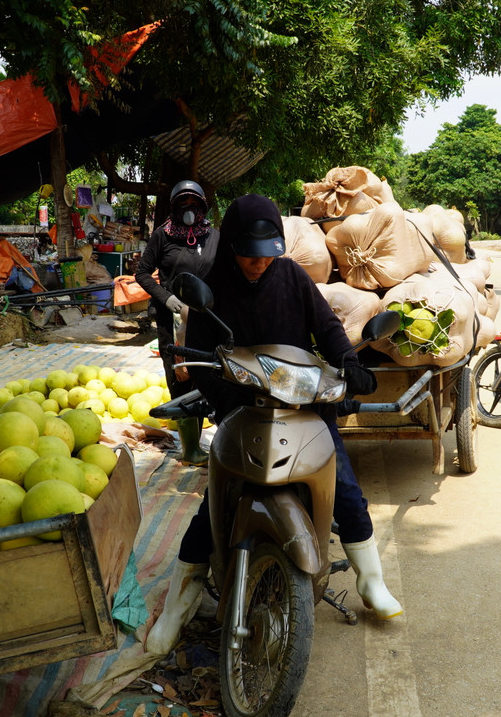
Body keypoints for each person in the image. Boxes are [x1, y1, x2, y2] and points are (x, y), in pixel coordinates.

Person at [143, 195, 400, 655]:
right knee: (214, 505)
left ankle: (371, 581)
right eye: (249, 253)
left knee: (344, 488)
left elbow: (328, 330)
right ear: (232, 246)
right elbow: (200, 358)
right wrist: (224, 398)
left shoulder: (293, 277)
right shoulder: (211, 284)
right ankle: (176, 612)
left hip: (303, 405)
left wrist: (349, 363)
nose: (258, 263)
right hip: (242, 407)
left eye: (266, 254)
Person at [135, 180, 221, 465]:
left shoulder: (213, 236)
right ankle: (191, 449)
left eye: (193, 204)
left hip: (208, 320)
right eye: (182, 205)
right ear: (173, 208)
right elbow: (143, 273)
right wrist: (167, 298)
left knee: (209, 374)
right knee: (180, 379)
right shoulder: (163, 236)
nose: (188, 210)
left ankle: (220, 440)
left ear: (202, 207)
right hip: (172, 322)